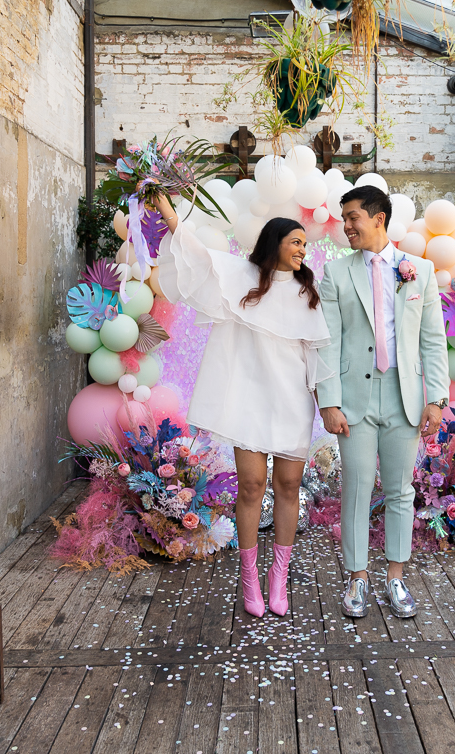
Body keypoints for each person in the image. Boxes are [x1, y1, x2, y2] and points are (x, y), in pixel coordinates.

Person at [155, 194, 332, 618]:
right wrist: (166, 211)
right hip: (248, 400)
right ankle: (250, 578)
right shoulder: (242, 277)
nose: (302, 250)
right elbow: (197, 255)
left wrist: (327, 405)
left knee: (289, 487)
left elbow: (317, 357)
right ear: (274, 243)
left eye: (305, 244)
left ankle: (279, 578)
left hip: (292, 400)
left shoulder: (309, 293)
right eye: (294, 241)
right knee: (251, 486)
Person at [317, 185, 449, 618]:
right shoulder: (336, 274)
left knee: (400, 491)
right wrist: (328, 401)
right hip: (354, 400)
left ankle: (395, 577)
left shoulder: (420, 272)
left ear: (378, 218)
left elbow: (433, 340)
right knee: (355, 490)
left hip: (404, 397)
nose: (346, 225)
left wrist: (437, 398)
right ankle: (357, 580)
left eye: (352, 217)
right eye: (343, 217)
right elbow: (328, 343)